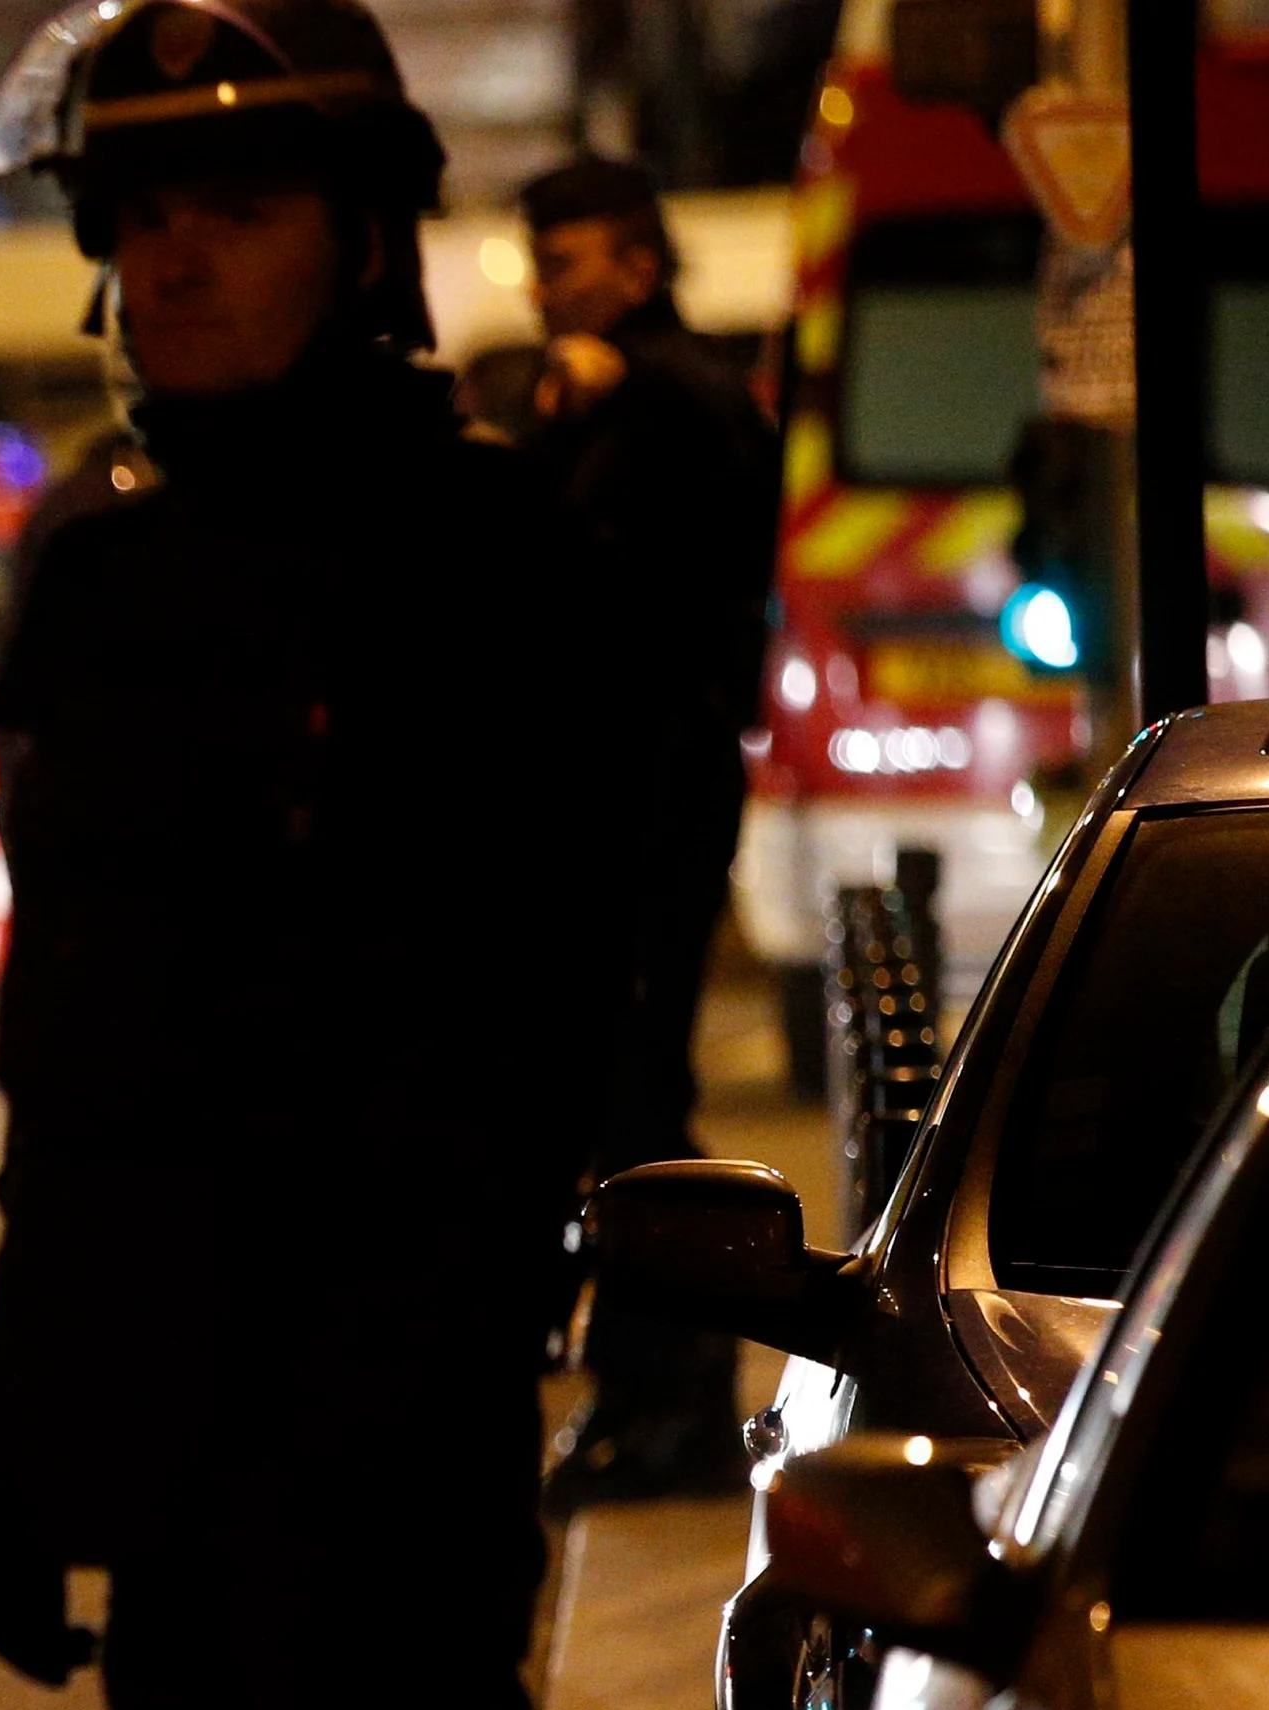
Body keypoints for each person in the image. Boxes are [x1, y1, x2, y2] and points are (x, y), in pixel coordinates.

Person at [0, 2, 643, 1710]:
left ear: (359, 238)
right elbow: (67, 1066)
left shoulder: (491, 552)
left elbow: (560, 1005)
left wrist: (426, 1329)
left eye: (232, 208)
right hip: (164, 1435)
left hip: (387, 1423)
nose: (174, 259)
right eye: (136, 216)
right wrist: (23, 1453)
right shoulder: (95, 568)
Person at [513, 154, 785, 1504]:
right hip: (617, 793)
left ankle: (664, 1398)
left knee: (636, 1100)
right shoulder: (622, 393)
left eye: (563, 262)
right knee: (619, 1095)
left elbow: (623, 580)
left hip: (646, 795)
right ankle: (646, 1385)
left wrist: (586, 411)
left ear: (632, 261)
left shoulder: (668, 394)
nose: (542, 288)